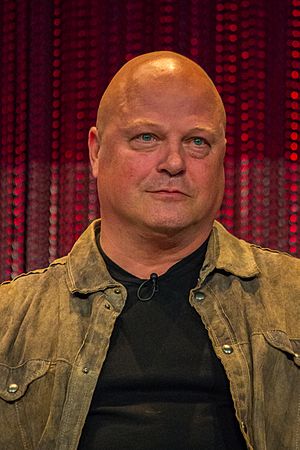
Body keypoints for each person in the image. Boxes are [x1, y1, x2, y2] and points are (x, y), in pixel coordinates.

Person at [0, 51, 299, 450]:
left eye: (197, 141)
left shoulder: (294, 300)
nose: (174, 162)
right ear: (95, 150)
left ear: (222, 156)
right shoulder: (9, 321)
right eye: (147, 138)